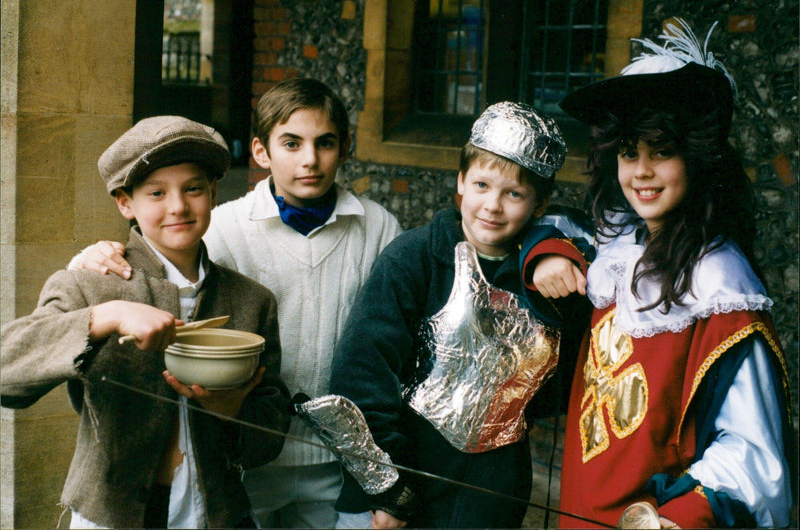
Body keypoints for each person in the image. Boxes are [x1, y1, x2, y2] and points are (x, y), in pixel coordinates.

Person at [66, 78, 403, 528]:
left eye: (325, 143)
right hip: (239, 456)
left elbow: (396, 343)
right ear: (262, 153)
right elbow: (157, 266)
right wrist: (88, 259)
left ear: (344, 149)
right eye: (291, 143)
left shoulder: (379, 227)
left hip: (339, 459)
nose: (309, 159)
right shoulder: (218, 226)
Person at [547, 20, 794, 528]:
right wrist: (544, 256)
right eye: (628, 152)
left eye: (662, 151)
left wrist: (676, 519)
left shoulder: (723, 294)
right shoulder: (615, 251)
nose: (640, 172)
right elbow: (536, 225)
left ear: (698, 159)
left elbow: (753, 458)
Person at [0, 116, 292, 528]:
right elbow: (5, 373)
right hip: (110, 515)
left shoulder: (252, 301)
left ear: (213, 192)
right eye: (156, 192)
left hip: (216, 515)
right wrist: (107, 316)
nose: (177, 206)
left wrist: (232, 409)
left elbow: (270, 438)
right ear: (125, 203)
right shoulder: (88, 284)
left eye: (193, 188)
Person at [328, 101, 595, 528]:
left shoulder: (549, 276)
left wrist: (554, 252)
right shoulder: (413, 259)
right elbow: (362, 373)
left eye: (514, 194)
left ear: (539, 204)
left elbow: (567, 380)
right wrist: (385, 487)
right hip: (407, 479)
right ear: (460, 183)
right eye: (482, 185)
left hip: (496, 490)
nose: (492, 205)